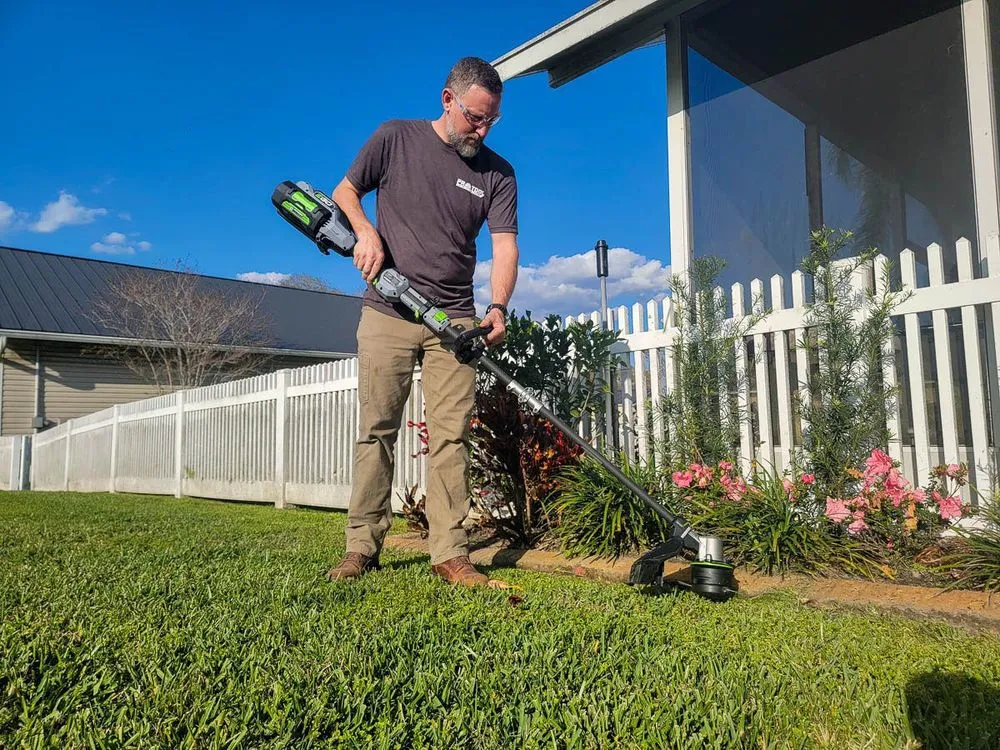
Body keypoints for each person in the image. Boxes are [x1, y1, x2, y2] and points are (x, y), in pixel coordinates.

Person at [326, 57, 519, 587]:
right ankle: (361, 547)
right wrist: (365, 231)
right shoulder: (395, 138)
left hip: (455, 322)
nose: (481, 129)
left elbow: (505, 247)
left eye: (491, 121)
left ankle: (450, 554)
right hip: (388, 310)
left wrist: (498, 306)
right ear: (447, 99)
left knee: (452, 437)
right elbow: (345, 191)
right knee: (377, 432)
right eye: (475, 117)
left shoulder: (497, 173)